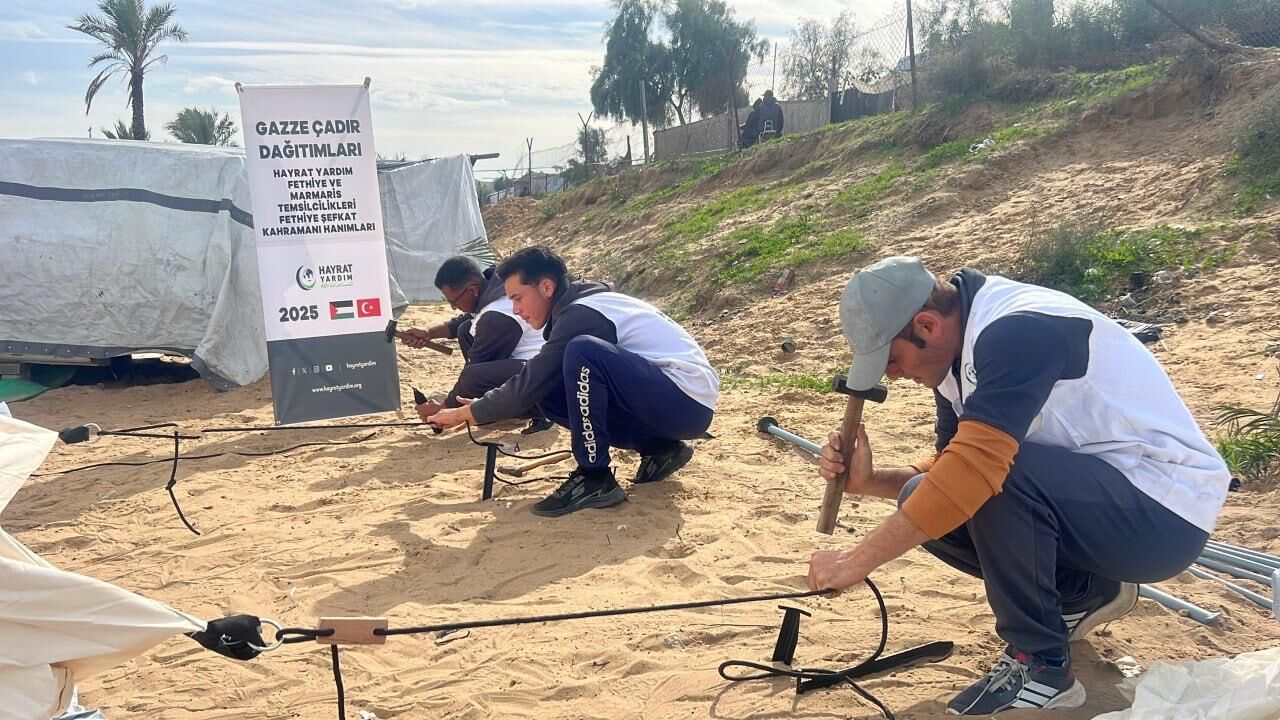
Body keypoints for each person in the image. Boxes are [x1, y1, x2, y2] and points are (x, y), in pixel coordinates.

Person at [806, 256, 1230, 715]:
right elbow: (950, 467)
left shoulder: (1016, 330)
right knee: (928, 490)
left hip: (1163, 515)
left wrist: (857, 560)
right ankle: (1081, 592)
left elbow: (974, 469)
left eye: (891, 359)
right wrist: (870, 482)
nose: (891, 375)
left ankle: (1041, 667)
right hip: (1106, 505)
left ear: (926, 326)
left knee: (996, 477)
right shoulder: (955, 357)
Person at [428, 246, 719, 517]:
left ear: (546, 287)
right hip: (670, 400)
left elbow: (528, 383)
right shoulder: (577, 307)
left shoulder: (583, 313)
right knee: (548, 388)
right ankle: (660, 449)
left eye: (517, 298)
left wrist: (462, 413)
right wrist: (483, 406)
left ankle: (594, 477)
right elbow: (534, 385)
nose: (515, 309)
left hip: (686, 401)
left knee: (582, 352)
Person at [400, 256, 550, 433]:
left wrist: (445, 408)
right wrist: (429, 333)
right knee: (465, 329)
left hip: (545, 374)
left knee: (473, 376)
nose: (454, 308)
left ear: (472, 291)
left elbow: (474, 372)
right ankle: (493, 410)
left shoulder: (496, 317)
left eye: (454, 302)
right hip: (529, 363)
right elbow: (467, 320)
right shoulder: (494, 290)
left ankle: (542, 414)